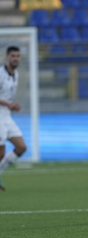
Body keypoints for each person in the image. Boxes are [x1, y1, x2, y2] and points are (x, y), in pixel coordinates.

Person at [0, 46, 27, 191]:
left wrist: (12, 104)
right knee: (1, 153)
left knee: (21, 147)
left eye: (17, 56)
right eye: (13, 56)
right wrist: (7, 103)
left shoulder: (15, 74)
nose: (15, 58)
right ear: (7, 57)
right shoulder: (1, 73)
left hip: (7, 117)